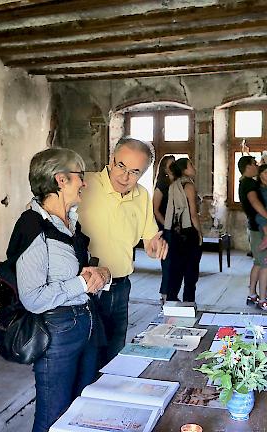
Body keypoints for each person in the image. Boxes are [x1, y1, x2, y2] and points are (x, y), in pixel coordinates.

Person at [0, 148, 110, 432]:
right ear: (60, 180)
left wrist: (102, 275)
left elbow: (84, 275)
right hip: (56, 332)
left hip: (87, 324)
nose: (84, 183)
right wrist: (83, 283)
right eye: (79, 176)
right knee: (53, 418)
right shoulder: (33, 226)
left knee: (83, 412)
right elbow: (33, 297)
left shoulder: (70, 223)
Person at [78, 136, 168, 368]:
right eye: (121, 166)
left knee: (114, 352)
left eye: (135, 171)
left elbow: (149, 237)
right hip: (80, 286)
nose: (125, 176)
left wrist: (154, 245)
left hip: (118, 286)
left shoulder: (142, 196)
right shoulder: (83, 184)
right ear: (111, 159)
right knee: (84, 356)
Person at [237, 155, 267, 310]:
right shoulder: (249, 184)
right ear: (248, 167)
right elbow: (255, 202)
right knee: (266, 264)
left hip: (255, 227)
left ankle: (252, 295)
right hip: (259, 228)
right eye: (254, 164)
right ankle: (263, 299)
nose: (257, 166)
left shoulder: (245, 182)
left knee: (258, 262)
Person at [163, 157, 203, 302]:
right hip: (189, 232)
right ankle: (188, 303)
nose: (194, 167)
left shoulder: (174, 185)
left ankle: (172, 301)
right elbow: (193, 213)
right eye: (191, 165)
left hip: (175, 232)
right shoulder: (189, 186)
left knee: (176, 270)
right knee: (191, 273)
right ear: (185, 170)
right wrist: (199, 233)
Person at [153, 155, 175, 304]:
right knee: (167, 261)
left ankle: (172, 292)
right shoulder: (162, 184)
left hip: (176, 227)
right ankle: (165, 294)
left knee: (176, 261)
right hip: (165, 228)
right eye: (171, 164)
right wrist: (166, 226)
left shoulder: (177, 184)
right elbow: (156, 209)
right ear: (164, 168)